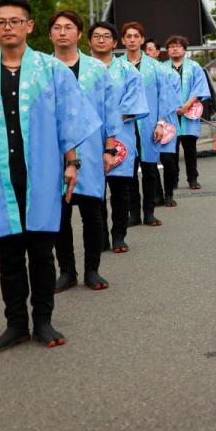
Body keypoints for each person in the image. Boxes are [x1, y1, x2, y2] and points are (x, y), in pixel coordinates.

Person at [0, 0, 100, 352]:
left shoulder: (52, 71)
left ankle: (43, 321)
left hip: (44, 175)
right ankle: (16, 323)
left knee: (41, 253)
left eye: (15, 21)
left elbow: (70, 120)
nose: (8, 27)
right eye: (2, 22)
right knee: (9, 258)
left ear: (29, 26)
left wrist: (72, 163)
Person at [48, 11, 120, 292]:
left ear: (79, 35)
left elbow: (110, 110)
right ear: (50, 34)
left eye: (69, 28)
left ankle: (92, 269)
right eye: (57, 28)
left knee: (93, 213)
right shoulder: (43, 68)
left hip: (90, 151)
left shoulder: (96, 70)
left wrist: (109, 149)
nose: (63, 32)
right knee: (60, 216)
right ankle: (67, 271)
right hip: (53, 153)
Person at [87, 21, 147, 255]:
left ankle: (119, 234)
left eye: (106, 36)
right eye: (96, 36)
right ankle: (99, 235)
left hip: (121, 136)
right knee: (95, 191)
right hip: (90, 138)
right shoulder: (82, 70)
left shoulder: (128, 71)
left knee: (120, 189)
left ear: (114, 42)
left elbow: (134, 103)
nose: (101, 40)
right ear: (89, 41)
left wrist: (109, 121)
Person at [118, 22, 179, 228]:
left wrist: (161, 123)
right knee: (130, 171)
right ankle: (133, 213)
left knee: (150, 169)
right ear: (123, 40)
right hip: (126, 126)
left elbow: (165, 97)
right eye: (128, 36)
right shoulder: (117, 66)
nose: (133, 39)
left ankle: (149, 212)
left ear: (142, 40)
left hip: (151, 124)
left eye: (136, 36)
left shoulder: (156, 67)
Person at [159, 35, 211, 202]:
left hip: (189, 114)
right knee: (170, 152)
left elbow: (199, 88)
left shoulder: (194, 67)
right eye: (172, 46)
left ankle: (193, 179)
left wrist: (187, 105)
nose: (175, 49)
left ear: (184, 49)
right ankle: (172, 181)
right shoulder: (161, 68)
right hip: (168, 115)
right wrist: (173, 108)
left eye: (179, 46)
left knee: (190, 150)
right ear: (167, 50)